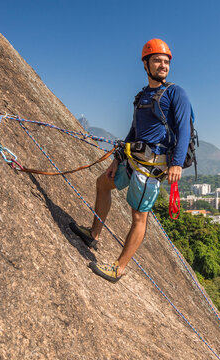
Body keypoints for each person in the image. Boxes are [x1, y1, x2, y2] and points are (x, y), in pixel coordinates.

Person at [70, 38, 192, 283]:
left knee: (139, 216)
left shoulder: (175, 93)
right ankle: (93, 234)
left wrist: (177, 163)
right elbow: (133, 131)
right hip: (132, 158)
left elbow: (184, 129)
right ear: (146, 64)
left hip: (151, 167)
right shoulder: (142, 96)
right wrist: (117, 157)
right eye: (157, 60)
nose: (163, 65)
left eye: (166, 61)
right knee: (102, 184)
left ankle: (119, 268)